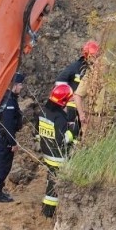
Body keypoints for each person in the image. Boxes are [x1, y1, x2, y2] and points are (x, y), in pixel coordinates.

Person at [38, 82, 77, 218]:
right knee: (54, 185)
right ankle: (48, 212)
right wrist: (73, 131)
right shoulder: (59, 117)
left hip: (47, 152)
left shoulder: (44, 111)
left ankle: (46, 209)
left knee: (51, 180)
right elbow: (62, 139)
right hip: (57, 156)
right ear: (64, 101)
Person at [0, 72, 25, 203]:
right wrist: (12, 143)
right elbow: (8, 124)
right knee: (4, 164)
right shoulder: (9, 100)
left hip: (0, 133)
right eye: (20, 84)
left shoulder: (7, 97)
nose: (21, 87)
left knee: (0, 162)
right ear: (15, 85)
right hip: (4, 136)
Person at [56, 39, 100, 137]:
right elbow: (60, 81)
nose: (96, 58)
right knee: (73, 133)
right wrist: (66, 97)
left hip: (84, 107)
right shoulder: (76, 67)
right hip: (73, 107)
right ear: (87, 55)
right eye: (93, 56)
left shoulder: (94, 69)